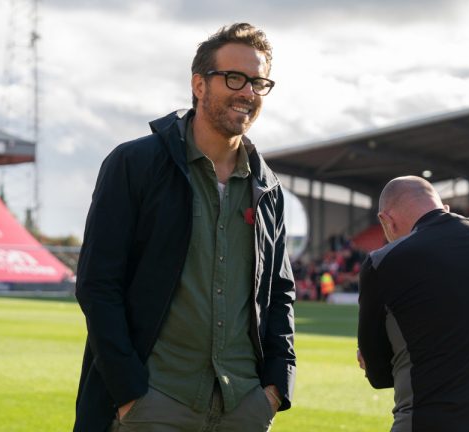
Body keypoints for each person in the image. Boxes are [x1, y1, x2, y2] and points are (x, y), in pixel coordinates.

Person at [74, 23, 296, 432]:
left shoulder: (268, 187)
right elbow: (97, 284)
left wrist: (275, 389)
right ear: (199, 84)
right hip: (154, 403)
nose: (248, 92)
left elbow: (280, 295)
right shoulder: (134, 164)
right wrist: (128, 393)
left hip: (244, 405)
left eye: (259, 82)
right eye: (235, 78)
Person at [357, 176, 469, 432]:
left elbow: (378, 374)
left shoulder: (385, 261)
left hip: (432, 420)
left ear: (386, 220)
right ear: (444, 208)